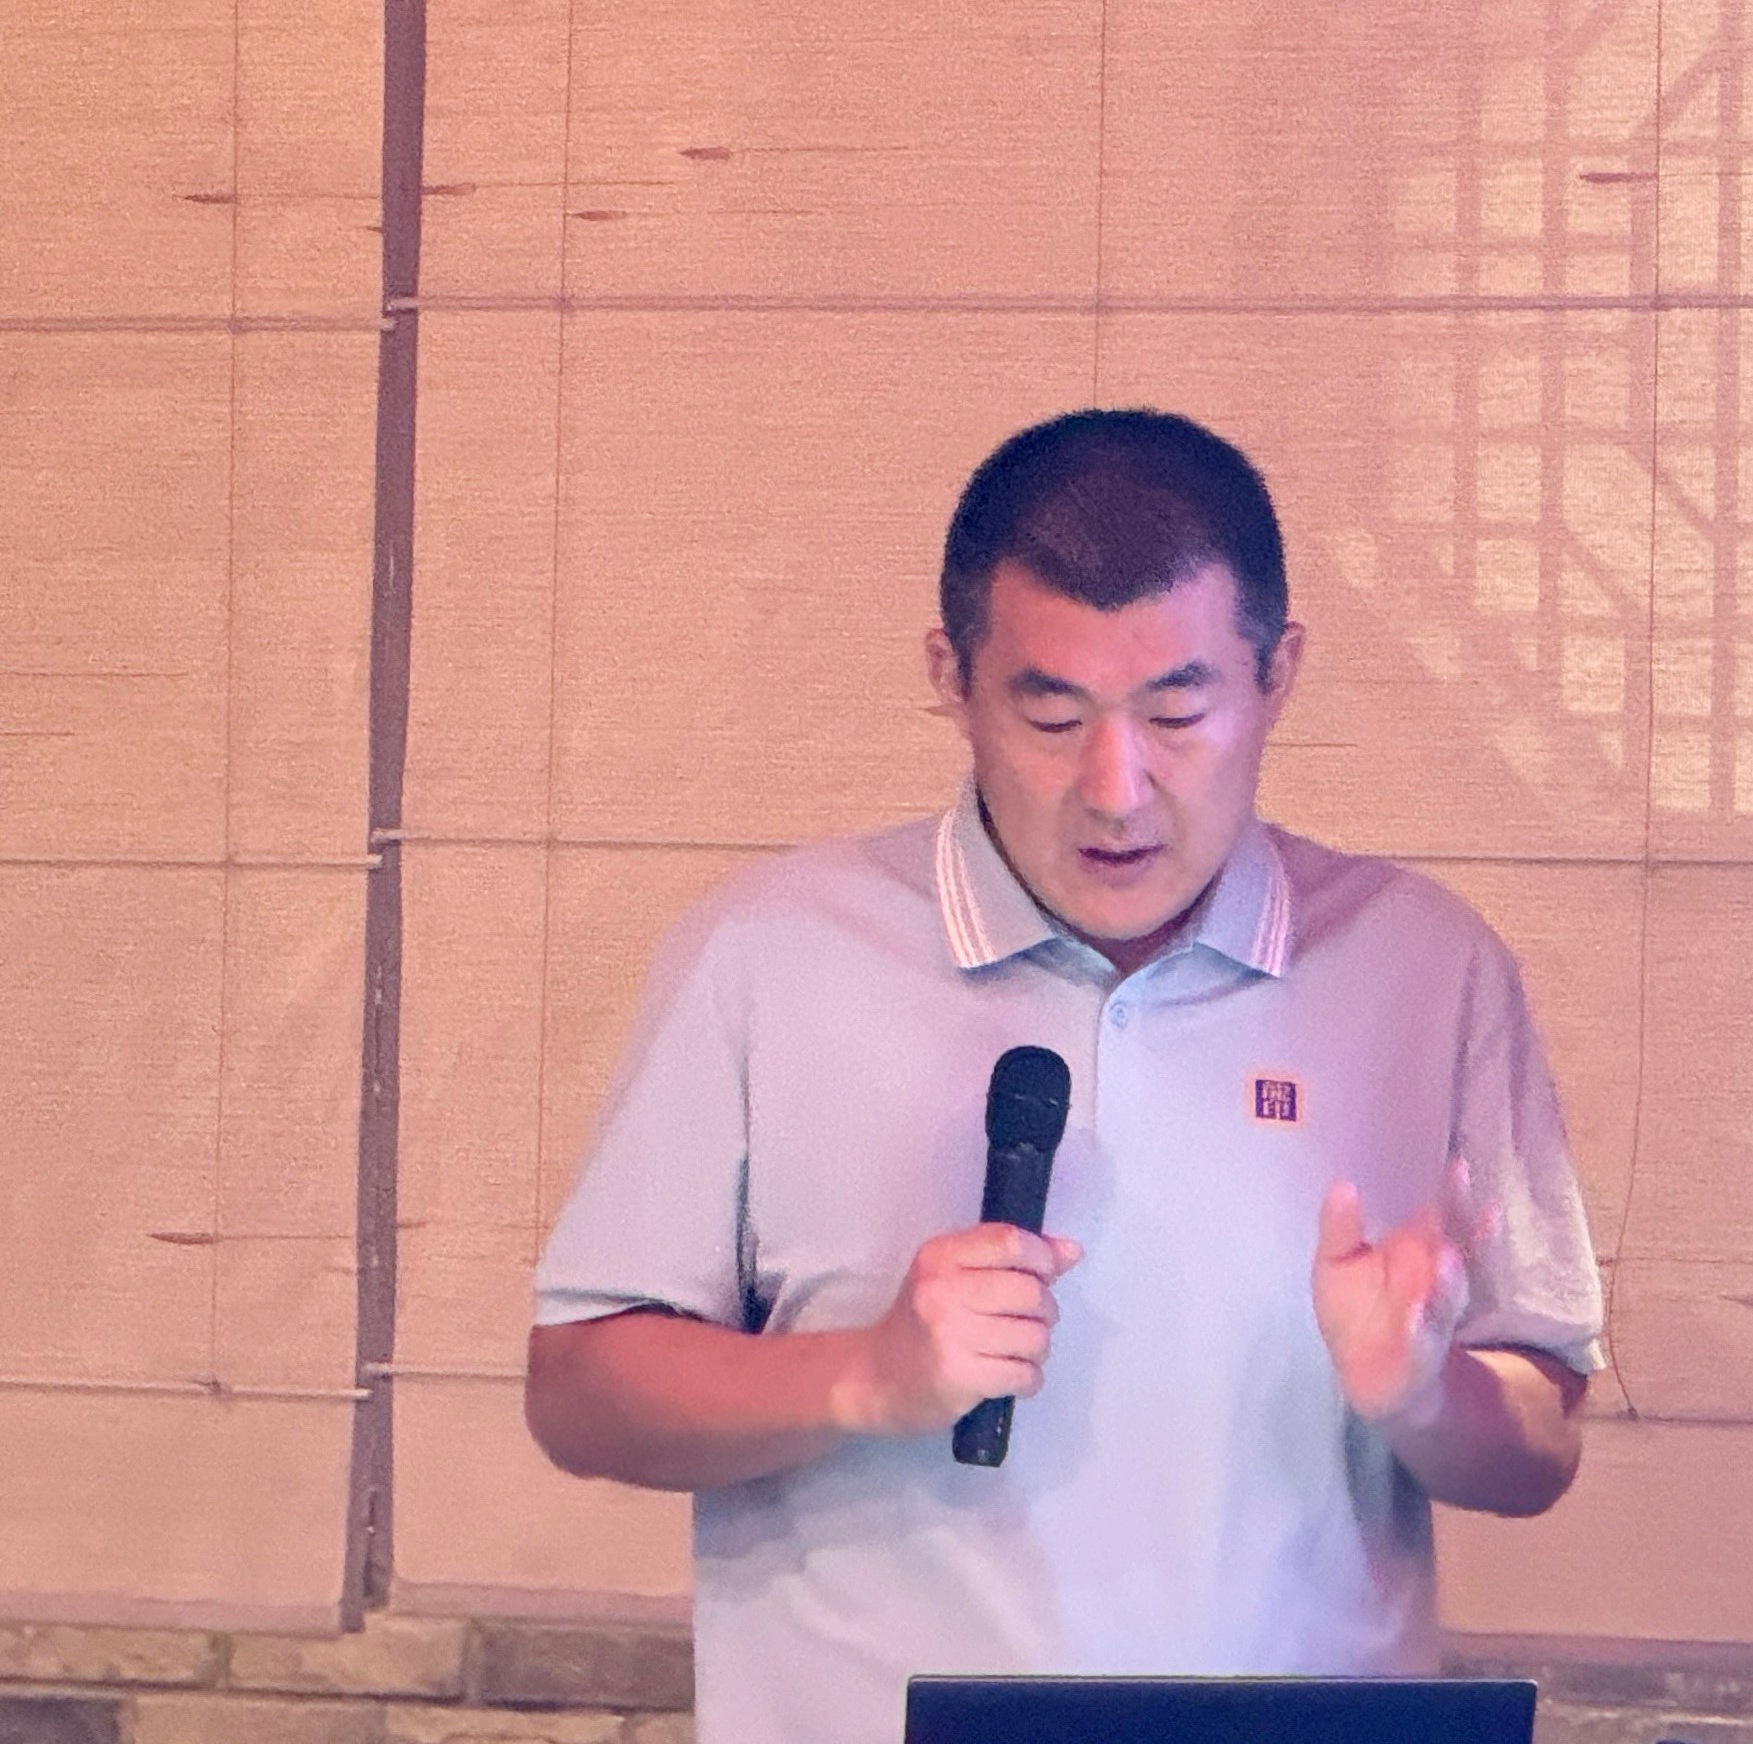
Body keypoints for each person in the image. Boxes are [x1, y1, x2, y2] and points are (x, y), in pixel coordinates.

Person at [523, 409, 1605, 1744]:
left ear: (1278, 673)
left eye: (1178, 711)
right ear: (951, 675)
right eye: (1050, 713)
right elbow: (578, 1394)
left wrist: (1424, 1394)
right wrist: (863, 1374)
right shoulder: (766, 953)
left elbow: (1540, 1445)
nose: (1116, 788)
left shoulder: (1425, 967)